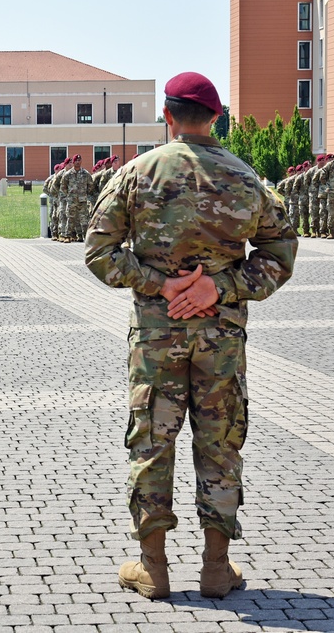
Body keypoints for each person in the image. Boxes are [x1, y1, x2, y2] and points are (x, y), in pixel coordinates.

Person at [86, 72, 296, 601]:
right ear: (217, 117)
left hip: (156, 339)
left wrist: (159, 283)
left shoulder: (138, 173)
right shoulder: (246, 179)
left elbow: (98, 252)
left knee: (153, 442)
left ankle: (153, 568)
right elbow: (280, 254)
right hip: (221, 340)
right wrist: (219, 289)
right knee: (220, 443)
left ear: (168, 116)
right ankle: (216, 570)